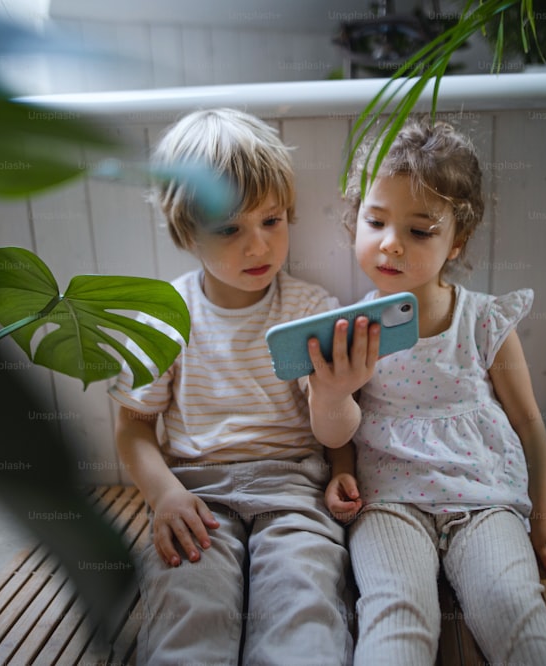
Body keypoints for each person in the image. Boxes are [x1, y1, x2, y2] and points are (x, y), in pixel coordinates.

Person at [326, 119, 546, 665]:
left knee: (511, 602)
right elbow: (344, 415)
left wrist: (544, 519)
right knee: (396, 609)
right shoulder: (352, 330)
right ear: (354, 220)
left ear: (459, 241)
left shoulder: (481, 320)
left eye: (419, 231)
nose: (390, 244)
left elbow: (527, 422)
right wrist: (339, 465)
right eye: (375, 221)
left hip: (484, 497)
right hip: (389, 500)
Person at [110, 108, 379, 666]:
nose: (258, 247)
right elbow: (133, 428)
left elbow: (334, 431)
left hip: (293, 494)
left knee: (305, 609)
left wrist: (340, 445)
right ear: (188, 231)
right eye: (230, 229)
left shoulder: (310, 310)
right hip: (198, 498)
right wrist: (164, 495)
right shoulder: (164, 316)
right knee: (189, 614)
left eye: (272, 221)